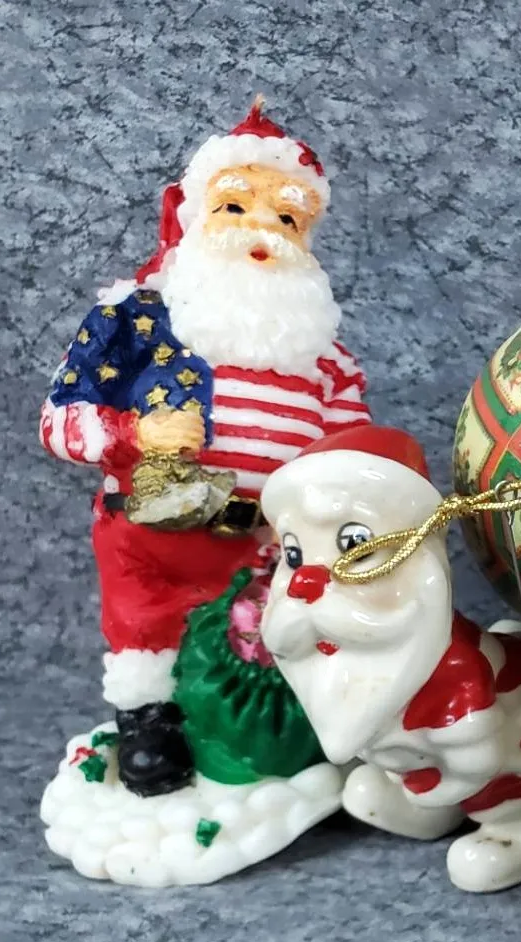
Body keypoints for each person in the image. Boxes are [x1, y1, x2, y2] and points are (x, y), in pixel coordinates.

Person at [39, 101, 367, 796]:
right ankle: (149, 724)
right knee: (148, 636)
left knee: (264, 659)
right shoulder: (133, 318)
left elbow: (353, 451)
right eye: (236, 206)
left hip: (270, 550)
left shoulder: (325, 357)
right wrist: (136, 433)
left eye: (288, 218)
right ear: (194, 216)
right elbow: (60, 420)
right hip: (156, 541)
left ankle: (273, 735)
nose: (263, 230)